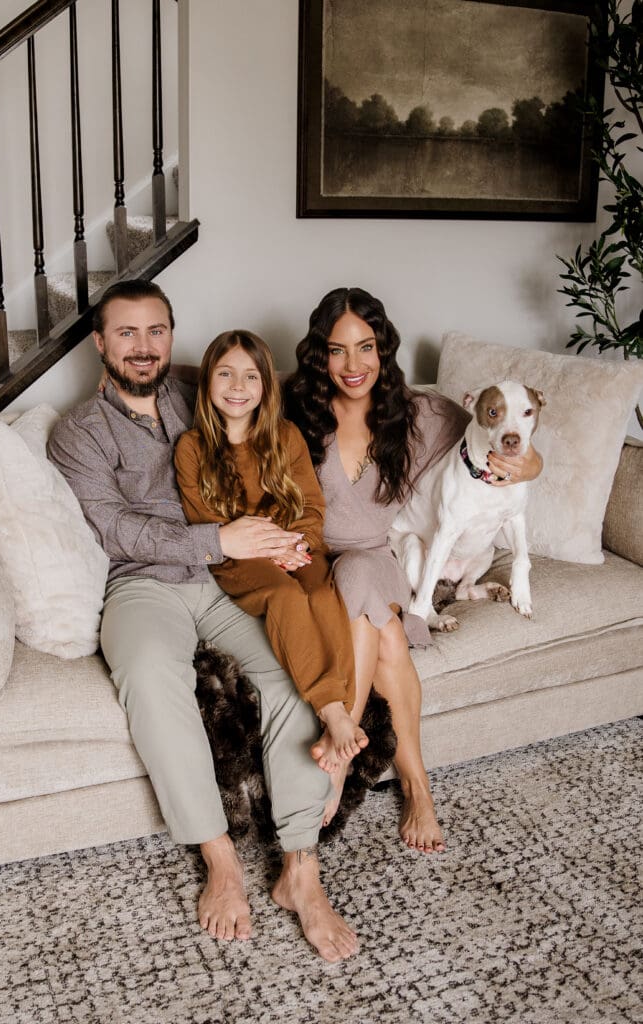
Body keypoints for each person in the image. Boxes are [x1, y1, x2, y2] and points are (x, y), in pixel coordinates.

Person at [47, 280, 358, 962]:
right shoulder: (77, 433)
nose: (142, 346)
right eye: (125, 333)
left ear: (170, 336)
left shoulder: (200, 391)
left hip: (224, 584)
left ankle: (299, 870)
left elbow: (264, 419)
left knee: (290, 677)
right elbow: (113, 528)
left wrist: (277, 539)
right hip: (141, 588)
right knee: (156, 685)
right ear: (99, 343)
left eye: (155, 331)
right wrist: (221, 540)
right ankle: (219, 858)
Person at [284, 286, 542, 853]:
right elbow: (222, 397)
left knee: (362, 573)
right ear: (318, 355)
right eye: (337, 350)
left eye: (367, 347)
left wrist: (531, 463)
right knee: (391, 638)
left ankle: (345, 762)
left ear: (384, 349)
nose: (354, 365)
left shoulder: (419, 412)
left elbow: (495, 437)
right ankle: (417, 786)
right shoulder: (296, 410)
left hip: (383, 556)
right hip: (314, 561)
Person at [174, 329, 366, 772]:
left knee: (322, 594)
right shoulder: (192, 446)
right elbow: (203, 519)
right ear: (206, 383)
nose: (238, 387)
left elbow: (312, 505)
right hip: (237, 559)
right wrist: (264, 547)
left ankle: (341, 711)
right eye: (225, 374)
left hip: (295, 546)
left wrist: (296, 544)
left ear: (266, 386)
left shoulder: (286, 435)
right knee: (286, 597)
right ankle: (333, 713)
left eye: (250, 376)